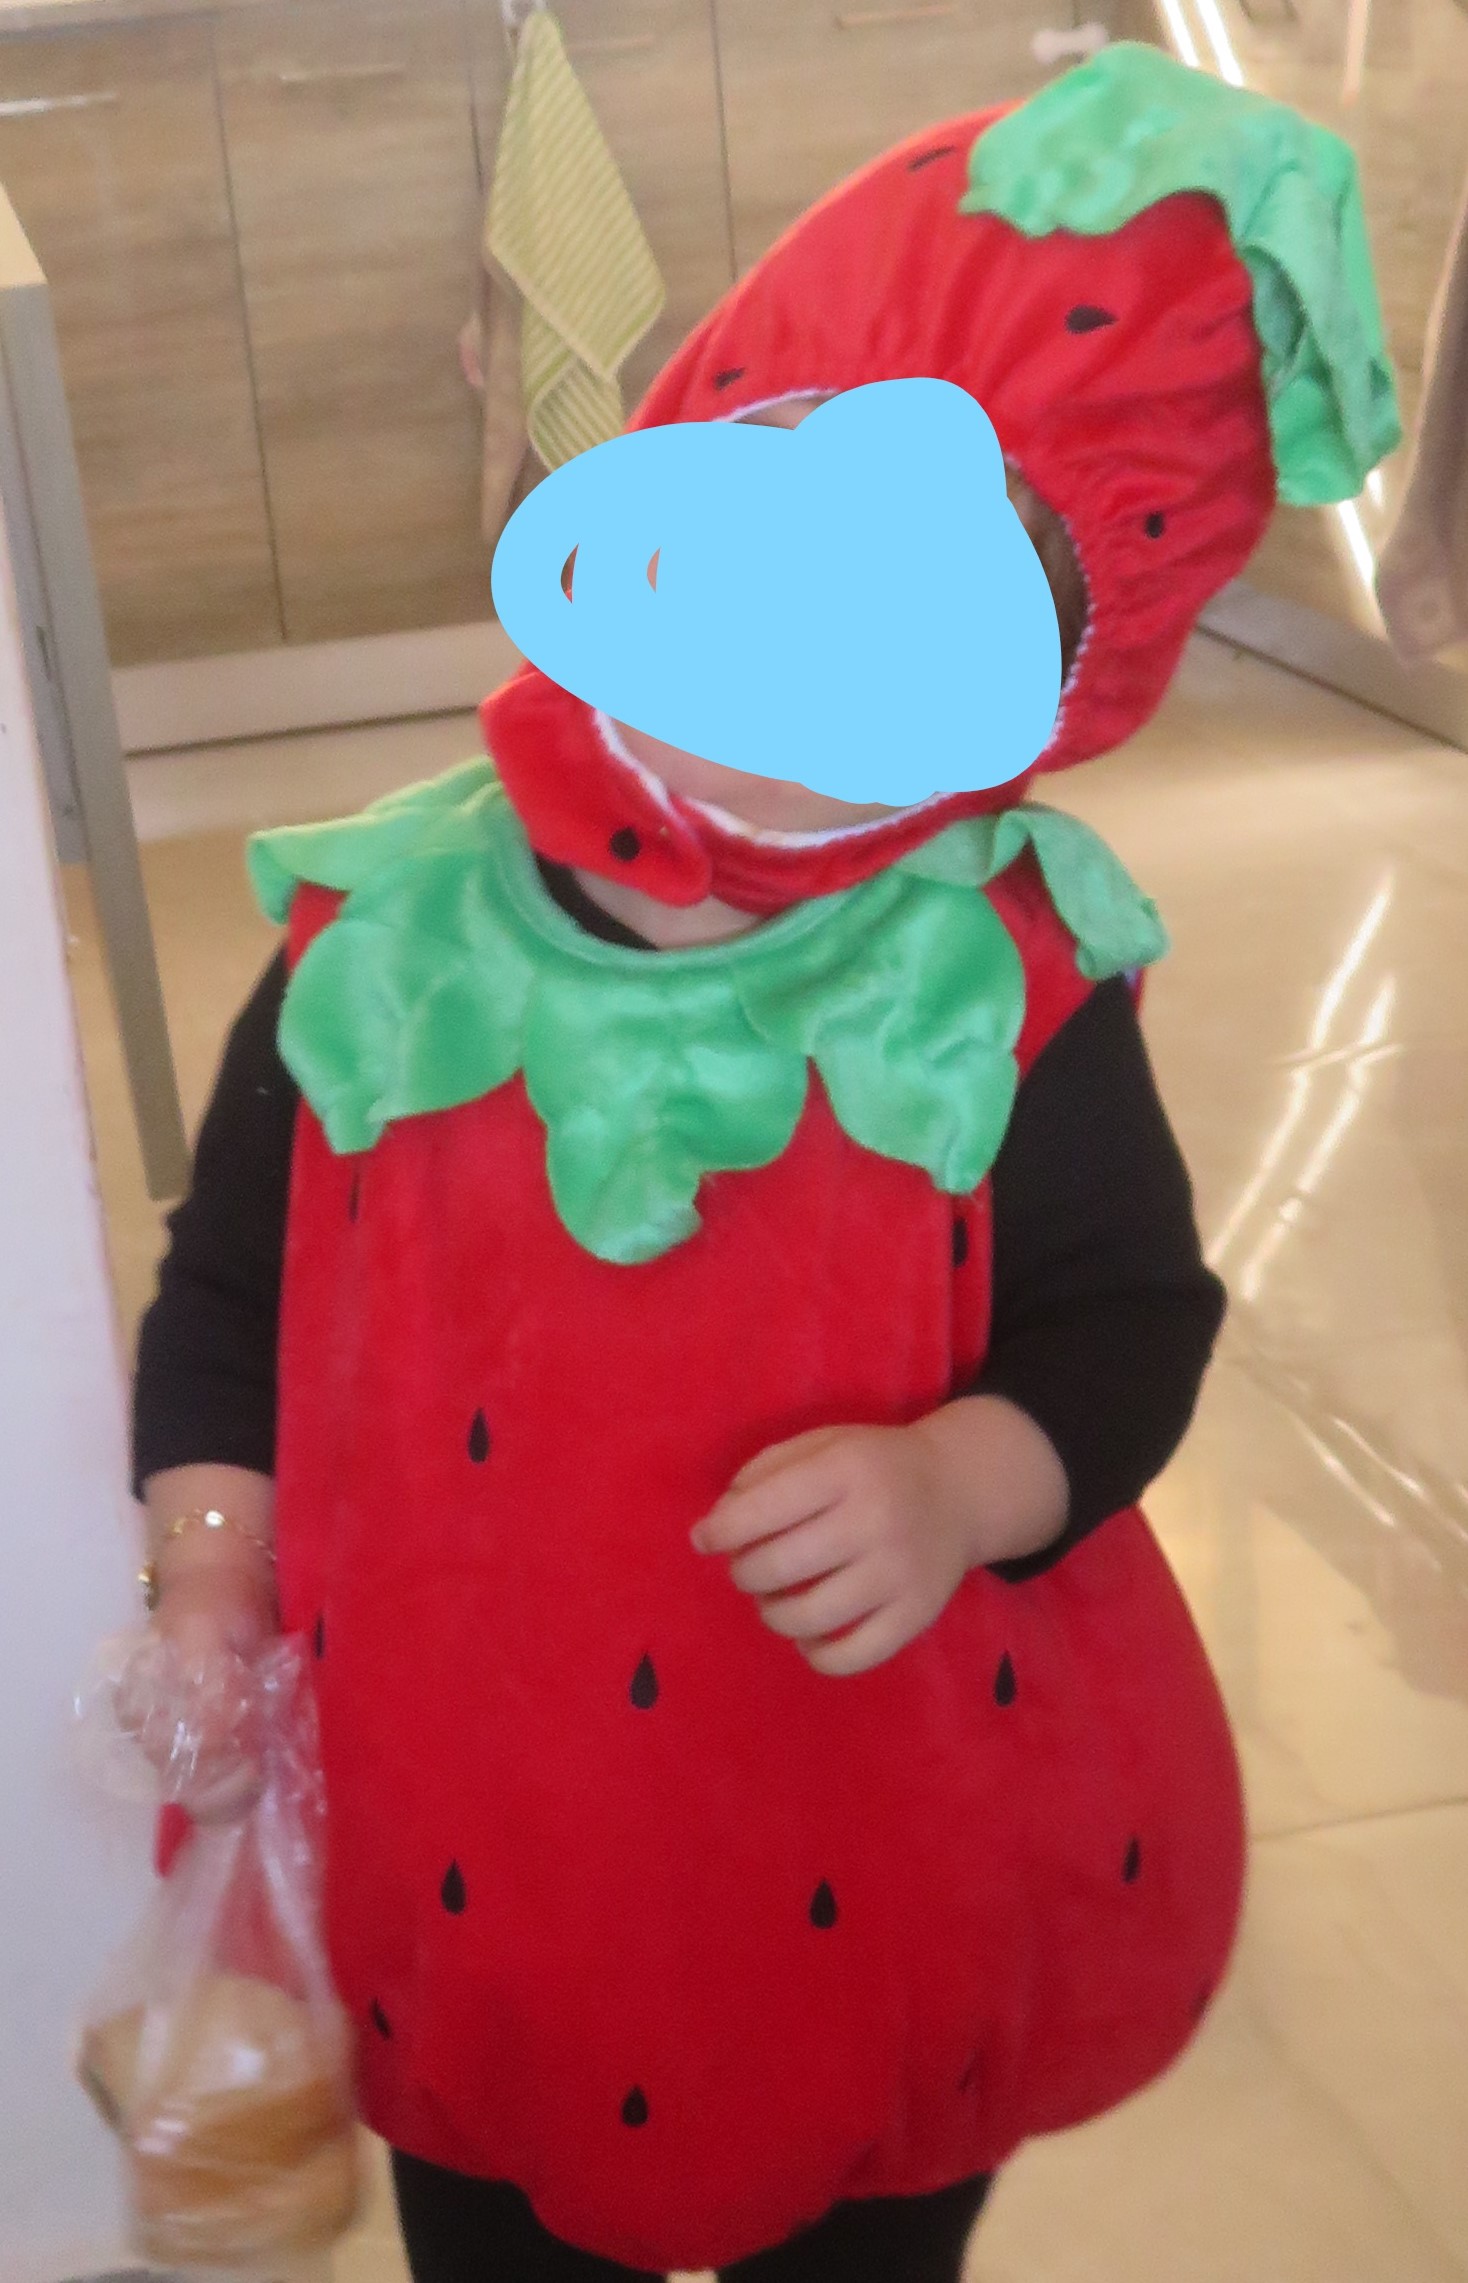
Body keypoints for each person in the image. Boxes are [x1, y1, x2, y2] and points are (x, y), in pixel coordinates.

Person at [128, 43, 1398, 2283]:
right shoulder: (378, 942)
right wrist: (208, 1569)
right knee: (499, 2215)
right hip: (477, 1831)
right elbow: (234, 1288)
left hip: (876, 1811)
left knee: (866, 2230)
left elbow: (1129, 1319)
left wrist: (966, 1481)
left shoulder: (999, 982)